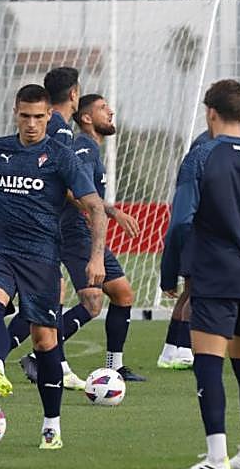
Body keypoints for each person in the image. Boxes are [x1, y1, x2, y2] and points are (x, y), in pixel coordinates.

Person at [0, 84, 105, 450]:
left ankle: (51, 425)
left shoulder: (61, 156)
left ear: (48, 116)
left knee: (45, 341)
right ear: (16, 112)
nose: (31, 124)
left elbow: (94, 207)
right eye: (25, 116)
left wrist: (96, 256)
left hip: (41, 256)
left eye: (38, 117)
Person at [163, 80, 240, 469]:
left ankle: (216, 458)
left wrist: (171, 273)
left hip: (215, 274)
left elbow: (181, 221)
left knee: (208, 364)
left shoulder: (199, 158)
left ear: (210, 112)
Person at [16, 89, 146, 382]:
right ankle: (40, 355)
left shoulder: (91, 148)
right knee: (92, 302)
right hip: (75, 234)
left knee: (122, 294)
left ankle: (114, 366)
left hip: (80, 232)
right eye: (103, 108)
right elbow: (75, 192)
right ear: (86, 118)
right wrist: (109, 213)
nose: (110, 111)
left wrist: (110, 212)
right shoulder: (84, 148)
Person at [10, 66, 87, 388]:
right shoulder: (59, 128)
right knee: (43, 295)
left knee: (54, 294)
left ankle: (56, 362)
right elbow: (51, 176)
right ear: (74, 94)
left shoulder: (56, 125)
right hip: (41, 226)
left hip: (40, 223)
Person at [158, 129, 211, 370]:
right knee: (197, 291)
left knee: (190, 290)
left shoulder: (201, 147)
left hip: (193, 230)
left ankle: (171, 350)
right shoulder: (205, 148)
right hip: (196, 230)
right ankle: (185, 349)